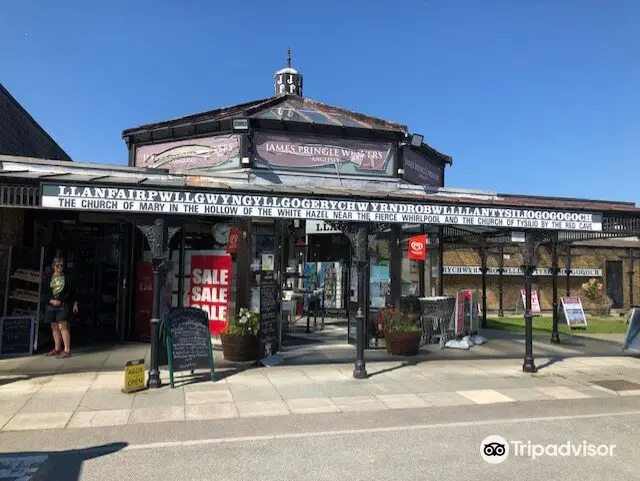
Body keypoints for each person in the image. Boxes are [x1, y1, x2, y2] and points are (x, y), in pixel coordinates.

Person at [43, 255, 78, 358]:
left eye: (62, 266)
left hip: (63, 304)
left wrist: (75, 304)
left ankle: (67, 350)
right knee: (54, 326)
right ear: (54, 266)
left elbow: (72, 292)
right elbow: (44, 293)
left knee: (63, 326)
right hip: (51, 304)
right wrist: (51, 300)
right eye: (58, 266)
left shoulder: (67, 278)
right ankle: (57, 348)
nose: (60, 268)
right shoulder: (48, 278)